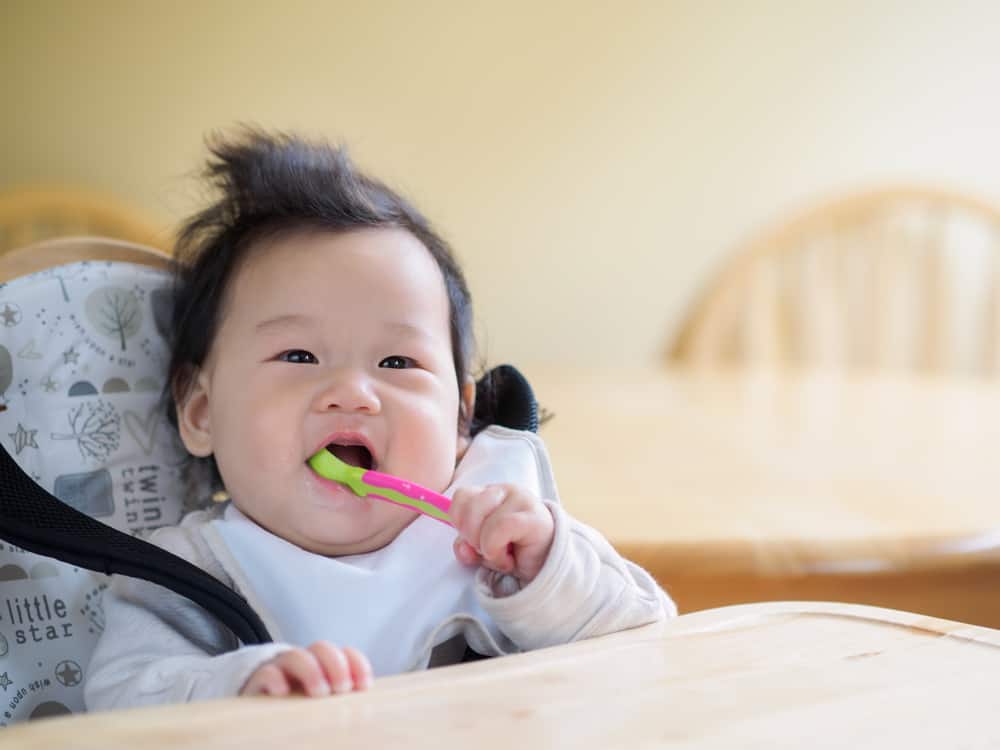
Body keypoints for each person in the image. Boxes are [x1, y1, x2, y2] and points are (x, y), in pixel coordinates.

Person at [84, 130, 676, 710]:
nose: (352, 393)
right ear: (203, 411)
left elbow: (647, 644)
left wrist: (547, 568)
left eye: (397, 361)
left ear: (460, 419)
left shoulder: (487, 541)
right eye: (298, 356)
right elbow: (122, 695)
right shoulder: (191, 574)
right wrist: (239, 684)